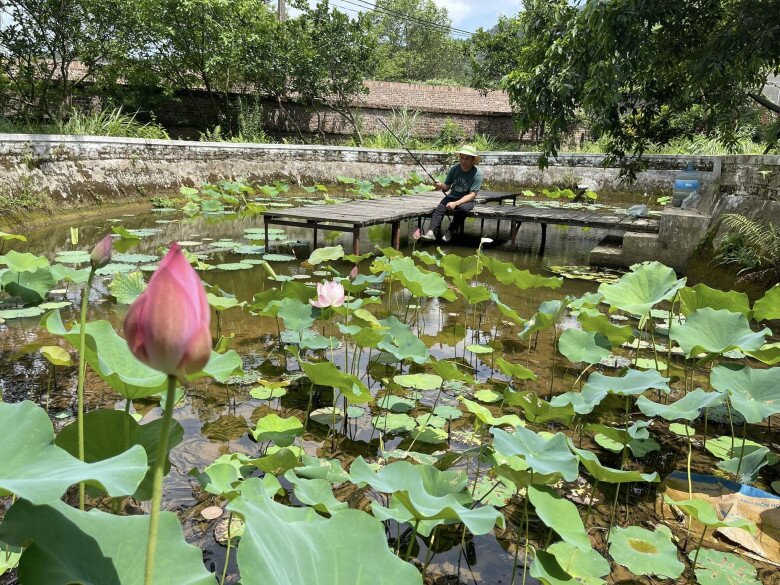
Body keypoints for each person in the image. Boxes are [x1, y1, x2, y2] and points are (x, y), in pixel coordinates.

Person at [421, 145, 483, 242]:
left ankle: (450, 230)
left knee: (462, 210)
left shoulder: (477, 174)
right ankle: (431, 232)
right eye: (461, 158)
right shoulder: (454, 169)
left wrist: (456, 203)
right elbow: (446, 188)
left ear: (472, 160)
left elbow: (472, 195)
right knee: (440, 208)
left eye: (467, 159)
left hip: (466, 199)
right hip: (452, 196)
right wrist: (440, 185)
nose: (463, 161)